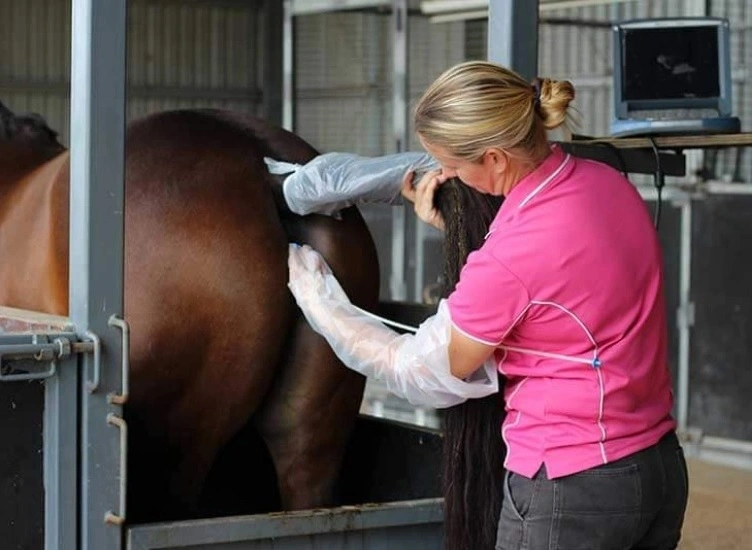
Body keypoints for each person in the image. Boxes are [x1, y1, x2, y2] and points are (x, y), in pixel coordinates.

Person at [287, 60, 688, 549]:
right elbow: (559, 286)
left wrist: (322, 305)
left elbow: (422, 370)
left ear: (496, 159)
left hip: (573, 486)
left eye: (453, 167)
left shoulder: (512, 257)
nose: (450, 177)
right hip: (657, 465)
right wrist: (453, 232)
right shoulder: (608, 185)